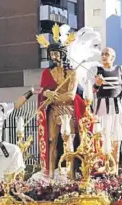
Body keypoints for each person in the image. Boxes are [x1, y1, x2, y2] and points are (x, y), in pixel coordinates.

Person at [36, 25, 86, 177]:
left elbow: (71, 95)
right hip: (53, 111)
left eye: (56, 54)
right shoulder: (47, 73)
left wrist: (54, 97)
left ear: (63, 54)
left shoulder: (72, 72)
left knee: (68, 140)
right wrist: (47, 92)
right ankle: (50, 173)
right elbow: (42, 91)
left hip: (69, 110)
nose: (54, 57)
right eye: (51, 54)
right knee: (52, 141)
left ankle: (70, 173)